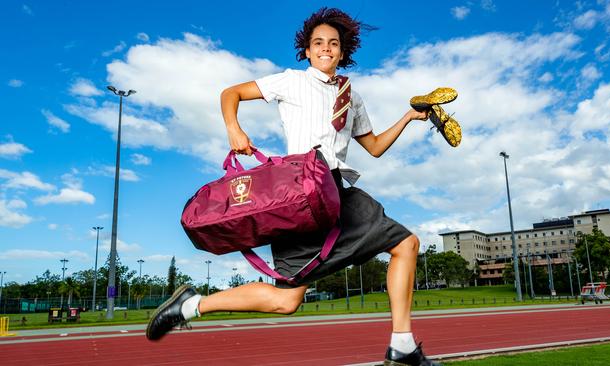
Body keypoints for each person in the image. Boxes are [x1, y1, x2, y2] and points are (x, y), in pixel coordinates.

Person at [147, 7, 442, 366]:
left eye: (333, 44)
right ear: (306, 50)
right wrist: (234, 129)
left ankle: (402, 345)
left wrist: (410, 117)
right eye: (318, 43)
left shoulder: (351, 95)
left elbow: (375, 147)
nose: (325, 49)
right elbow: (231, 93)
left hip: (338, 192)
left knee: (406, 243)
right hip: (300, 197)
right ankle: (190, 305)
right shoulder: (291, 81)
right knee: (285, 301)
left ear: (342, 52)